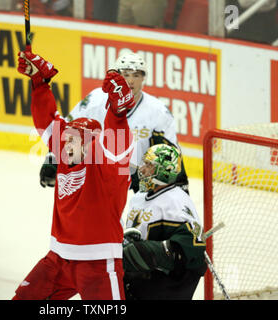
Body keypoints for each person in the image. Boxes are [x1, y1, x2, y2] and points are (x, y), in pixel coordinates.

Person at [12, 50, 134, 300]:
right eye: (66, 138)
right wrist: (40, 82)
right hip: (58, 259)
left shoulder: (107, 166)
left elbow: (117, 145)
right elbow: (46, 122)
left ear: (91, 144)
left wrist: (118, 113)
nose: (65, 144)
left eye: (73, 140)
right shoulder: (68, 151)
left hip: (98, 262)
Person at [40, 51, 189, 194]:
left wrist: (180, 186)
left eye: (136, 75)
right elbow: (68, 129)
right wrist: (52, 158)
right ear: (117, 76)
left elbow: (171, 154)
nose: (131, 81)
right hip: (95, 173)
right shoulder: (95, 99)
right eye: (126, 75)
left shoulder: (159, 112)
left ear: (143, 78)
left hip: (139, 179)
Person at [122, 144, 206, 300]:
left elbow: (193, 251)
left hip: (163, 286)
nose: (142, 169)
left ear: (165, 170)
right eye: (144, 163)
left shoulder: (177, 202)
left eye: (149, 165)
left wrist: (149, 252)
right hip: (137, 279)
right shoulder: (138, 197)